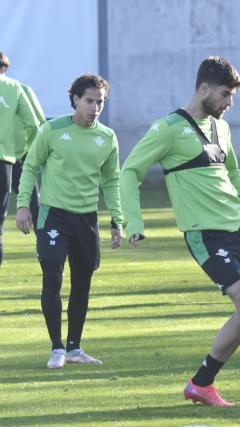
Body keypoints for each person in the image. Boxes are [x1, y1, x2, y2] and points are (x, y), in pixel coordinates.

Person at [119, 56, 240, 406]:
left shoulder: (222, 128)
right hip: (204, 234)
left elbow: (234, 175)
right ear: (204, 89)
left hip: (237, 227)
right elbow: (130, 172)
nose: (230, 103)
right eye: (226, 95)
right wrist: (134, 222)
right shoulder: (167, 128)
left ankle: (202, 383)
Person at [16, 74, 123, 368]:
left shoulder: (107, 137)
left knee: (82, 283)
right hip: (54, 215)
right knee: (53, 277)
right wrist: (23, 205)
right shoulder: (52, 130)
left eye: (100, 101)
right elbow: (30, 167)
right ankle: (57, 348)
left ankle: (75, 348)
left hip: (86, 219)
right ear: (75, 99)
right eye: (89, 101)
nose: (95, 107)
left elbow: (112, 181)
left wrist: (117, 219)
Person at [0, 51, 39, 268]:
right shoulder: (16, 88)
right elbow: (35, 123)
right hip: (8, 158)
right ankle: (48, 254)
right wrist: (27, 151)